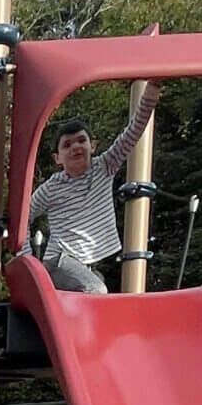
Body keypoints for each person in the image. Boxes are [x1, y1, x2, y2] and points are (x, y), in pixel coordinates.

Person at [29, 82, 161, 294]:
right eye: (67, 145)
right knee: (96, 289)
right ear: (57, 158)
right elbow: (23, 216)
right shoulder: (52, 187)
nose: (76, 147)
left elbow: (134, 131)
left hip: (85, 264)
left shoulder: (105, 166)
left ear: (93, 146)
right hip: (59, 260)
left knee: (100, 293)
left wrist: (153, 88)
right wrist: (28, 258)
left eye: (82, 141)